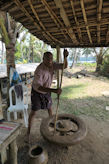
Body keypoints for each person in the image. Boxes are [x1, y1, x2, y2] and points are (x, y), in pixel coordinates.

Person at [27, 49, 69, 141]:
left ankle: (52, 124)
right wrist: (54, 90)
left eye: (51, 58)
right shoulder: (39, 70)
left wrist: (65, 57)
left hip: (47, 91)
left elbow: (64, 66)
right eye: (47, 59)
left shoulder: (53, 64)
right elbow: (39, 87)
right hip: (37, 92)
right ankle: (28, 132)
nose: (50, 60)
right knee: (34, 112)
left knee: (49, 108)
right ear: (43, 59)